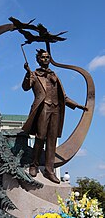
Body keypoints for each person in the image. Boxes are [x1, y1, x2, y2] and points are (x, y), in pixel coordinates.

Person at [22, 49, 87, 184]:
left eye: (47, 57)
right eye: (43, 57)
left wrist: (78, 105)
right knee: (40, 137)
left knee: (51, 139)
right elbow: (25, 87)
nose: (45, 59)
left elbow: (63, 97)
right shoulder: (34, 74)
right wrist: (27, 74)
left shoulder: (54, 76)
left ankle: (49, 170)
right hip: (43, 107)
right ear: (38, 60)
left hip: (56, 109)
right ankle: (34, 165)